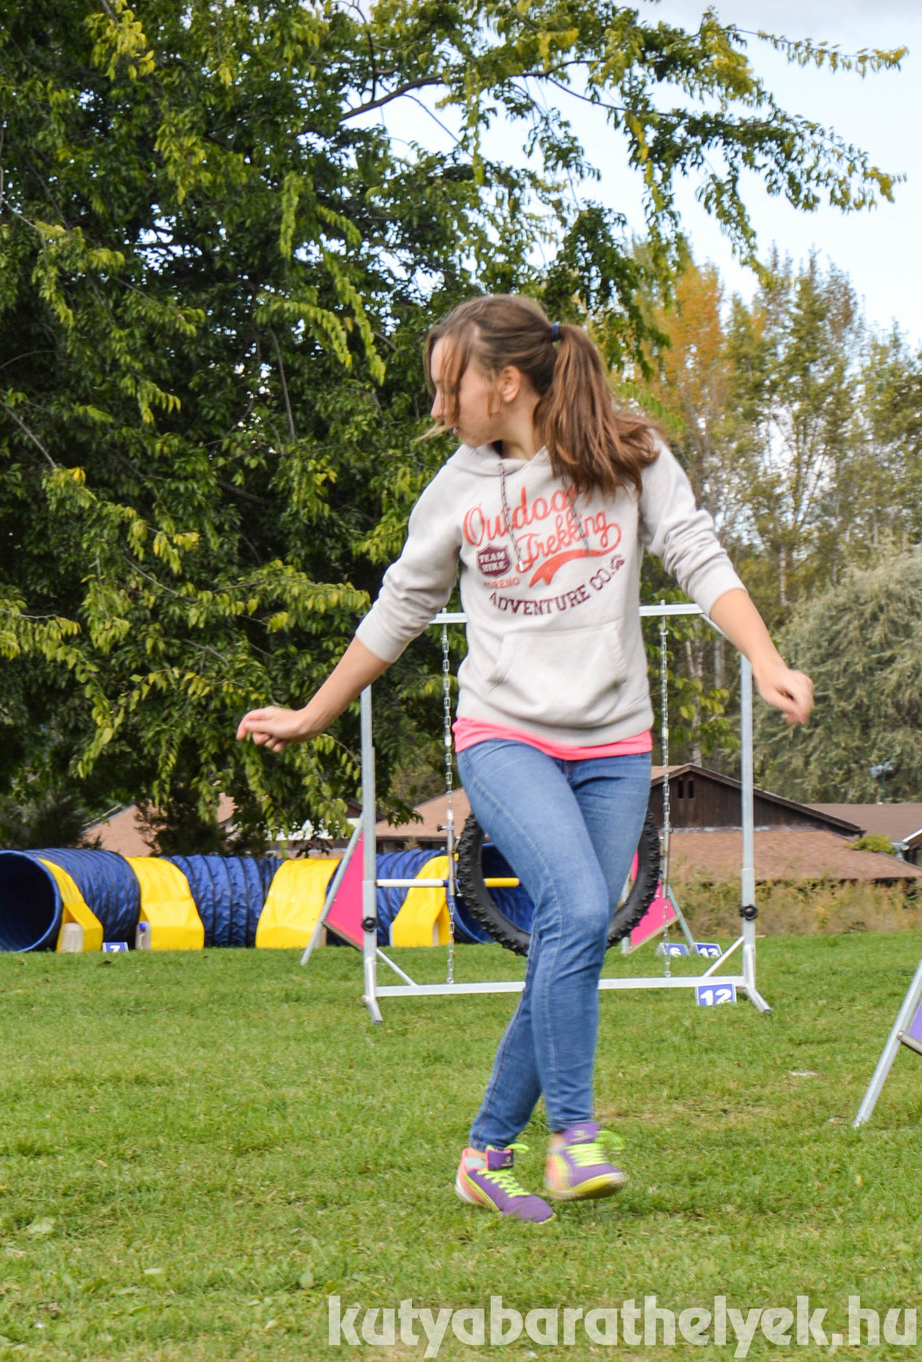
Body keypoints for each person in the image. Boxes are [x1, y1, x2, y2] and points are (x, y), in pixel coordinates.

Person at [238, 294, 813, 1224]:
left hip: (615, 743)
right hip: (504, 737)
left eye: (446, 387)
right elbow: (398, 611)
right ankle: (574, 1138)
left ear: (505, 381)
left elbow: (698, 556)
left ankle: (485, 1153)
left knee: (570, 938)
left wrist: (765, 656)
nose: (437, 410)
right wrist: (314, 713)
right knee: (582, 907)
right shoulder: (457, 492)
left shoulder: (631, 455)